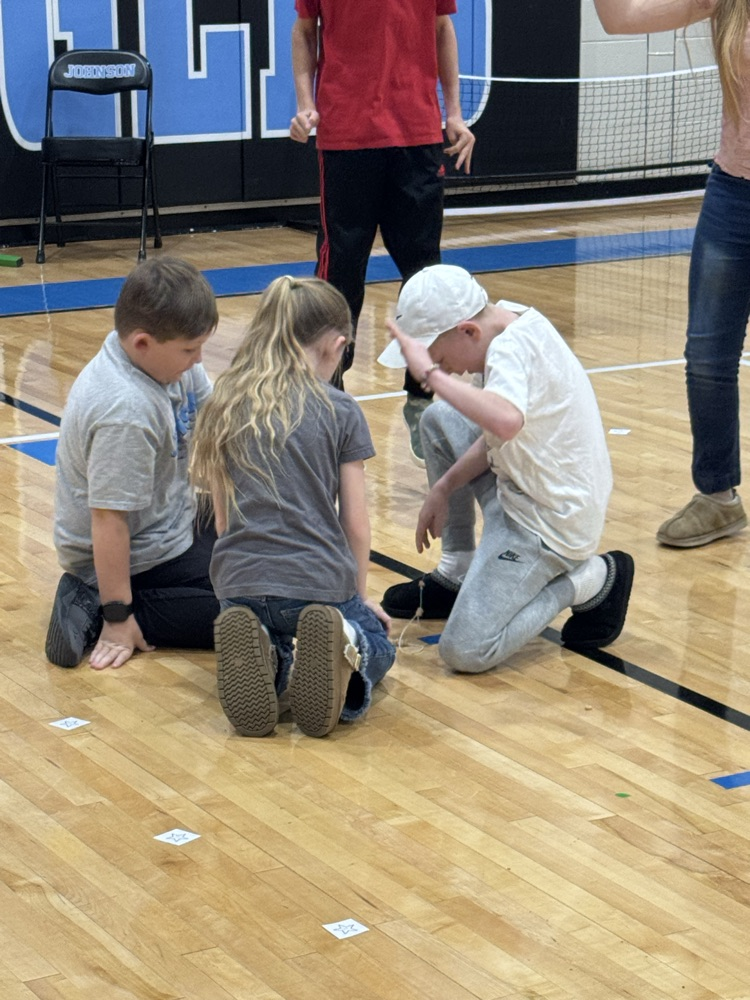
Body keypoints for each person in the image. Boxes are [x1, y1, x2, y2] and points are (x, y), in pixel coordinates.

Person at [377, 264, 635, 673]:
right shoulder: (506, 318)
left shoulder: (510, 350)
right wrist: (443, 487)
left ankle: (588, 578)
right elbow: (496, 435)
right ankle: (458, 570)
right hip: (520, 487)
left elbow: (506, 422)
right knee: (438, 419)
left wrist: (429, 375)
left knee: (464, 651)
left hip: (548, 527)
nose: (445, 371)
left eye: (442, 359)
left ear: (468, 331)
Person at [190, 275, 395, 738]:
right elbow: (356, 526)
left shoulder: (223, 401)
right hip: (318, 583)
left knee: (271, 629)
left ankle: (274, 656)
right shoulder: (340, 410)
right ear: (336, 345)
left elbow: (222, 523)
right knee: (379, 644)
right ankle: (346, 642)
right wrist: (358, 599)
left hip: (237, 583)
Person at [290, 0, 475, 465]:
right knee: (340, 274)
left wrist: (453, 111)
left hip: (415, 136)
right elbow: (305, 31)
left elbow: (441, 28)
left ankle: (422, 399)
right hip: (347, 138)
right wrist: (306, 104)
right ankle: (327, 397)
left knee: (425, 276)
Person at [593, 0, 749, 547]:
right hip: (734, 192)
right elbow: (618, 19)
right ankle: (717, 497)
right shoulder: (724, 3)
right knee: (707, 357)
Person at [45, 256, 220, 670]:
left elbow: (219, 428)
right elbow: (109, 520)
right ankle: (102, 605)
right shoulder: (124, 409)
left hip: (170, 521)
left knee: (272, 549)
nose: (197, 360)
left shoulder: (171, 367)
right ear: (142, 342)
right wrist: (118, 617)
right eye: (190, 350)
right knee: (252, 608)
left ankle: (106, 598)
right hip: (136, 556)